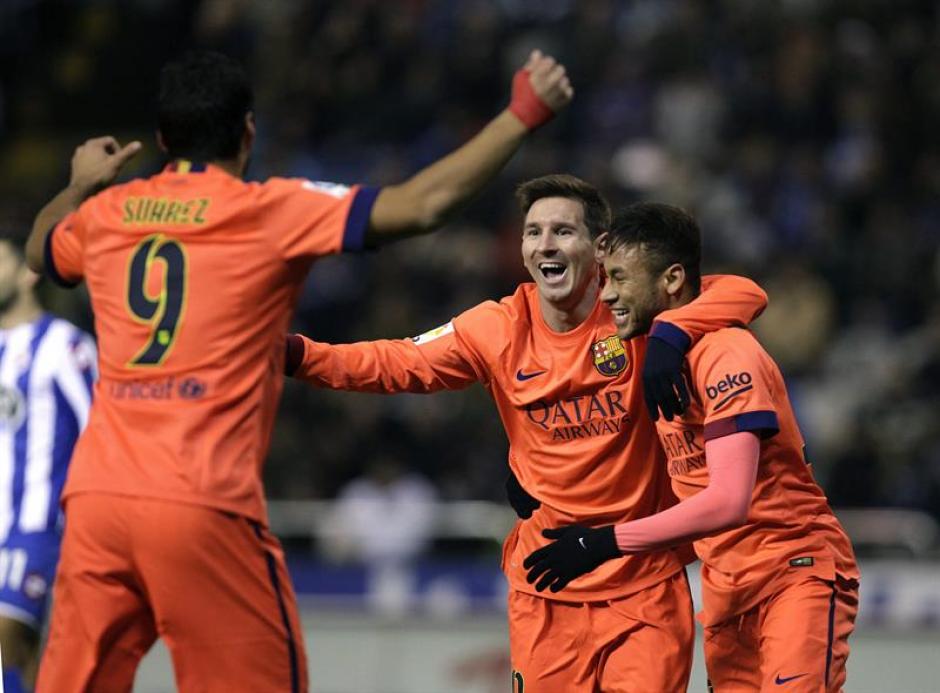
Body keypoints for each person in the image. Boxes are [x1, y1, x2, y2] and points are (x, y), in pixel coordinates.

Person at [24, 48, 573, 693]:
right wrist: (522, 114)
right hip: (199, 501)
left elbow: (40, 251)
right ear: (248, 132)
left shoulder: (109, 213)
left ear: (165, 138)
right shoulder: (269, 209)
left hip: (96, 503)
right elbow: (422, 205)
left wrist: (82, 184)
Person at [286, 174, 768, 692]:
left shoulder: (633, 313)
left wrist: (673, 335)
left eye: (562, 231)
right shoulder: (497, 326)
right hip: (546, 586)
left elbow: (741, 291)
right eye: (533, 232)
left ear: (599, 247)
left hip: (642, 586)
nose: (545, 245)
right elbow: (395, 362)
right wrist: (295, 354)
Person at [524, 202, 859, 692]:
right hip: (726, 592)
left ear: (672, 280)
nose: (609, 294)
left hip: (793, 573)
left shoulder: (726, 354)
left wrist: (605, 543)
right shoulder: (647, 348)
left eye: (619, 277)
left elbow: (728, 500)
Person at [0, 229, 95, 693]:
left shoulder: (64, 346)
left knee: (7, 638)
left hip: (33, 527)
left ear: (27, 273)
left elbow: (99, 427)